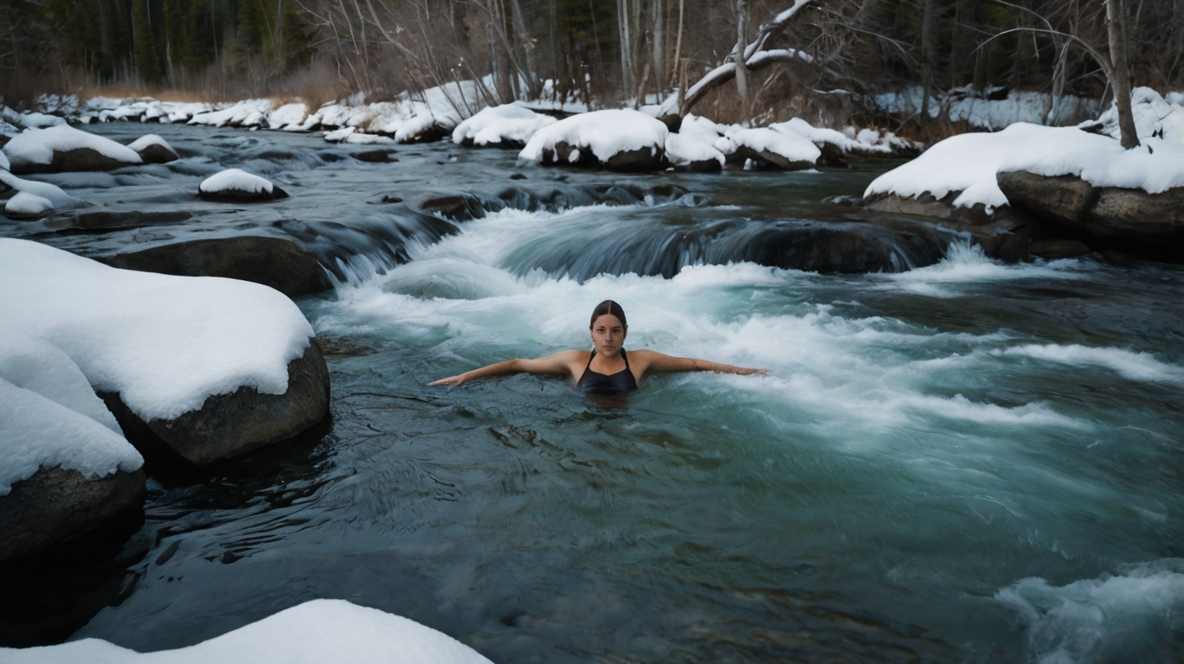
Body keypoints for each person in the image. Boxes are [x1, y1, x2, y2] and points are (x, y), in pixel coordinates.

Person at [430, 300, 766, 394]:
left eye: (615, 331)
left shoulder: (641, 361)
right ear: (591, 333)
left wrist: (737, 370)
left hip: (626, 434)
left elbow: (692, 363)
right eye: (601, 331)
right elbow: (518, 363)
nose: (608, 338)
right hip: (583, 434)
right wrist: (465, 376)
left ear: (625, 333)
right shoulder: (574, 361)